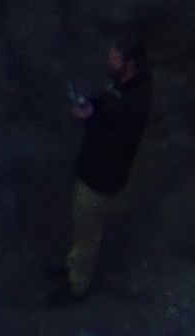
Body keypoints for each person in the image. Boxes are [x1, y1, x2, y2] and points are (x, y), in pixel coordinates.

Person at [61, 34, 153, 302]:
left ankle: (77, 286)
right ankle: (73, 268)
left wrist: (90, 119)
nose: (110, 62)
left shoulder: (138, 100)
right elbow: (109, 105)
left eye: (115, 58)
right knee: (82, 226)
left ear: (131, 63)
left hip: (102, 175)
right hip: (95, 167)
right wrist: (93, 106)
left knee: (88, 232)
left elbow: (121, 140)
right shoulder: (124, 82)